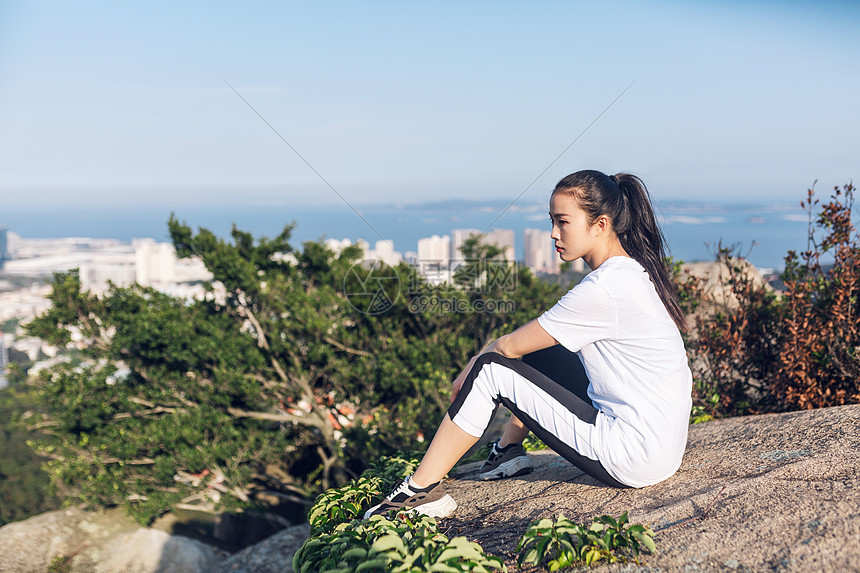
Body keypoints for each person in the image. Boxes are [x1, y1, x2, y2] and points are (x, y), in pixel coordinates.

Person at [366, 170, 692, 519]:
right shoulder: (630, 273)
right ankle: (508, 450)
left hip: (632, 455)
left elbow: (505, 348)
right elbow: (525, 345)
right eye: (552, 221)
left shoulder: (604, 289)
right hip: (659, 448)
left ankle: (421, 491)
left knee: (490, 370)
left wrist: (472, 367)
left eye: (563, 222)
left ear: (600, 225)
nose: (553, 233)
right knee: (541, 348)